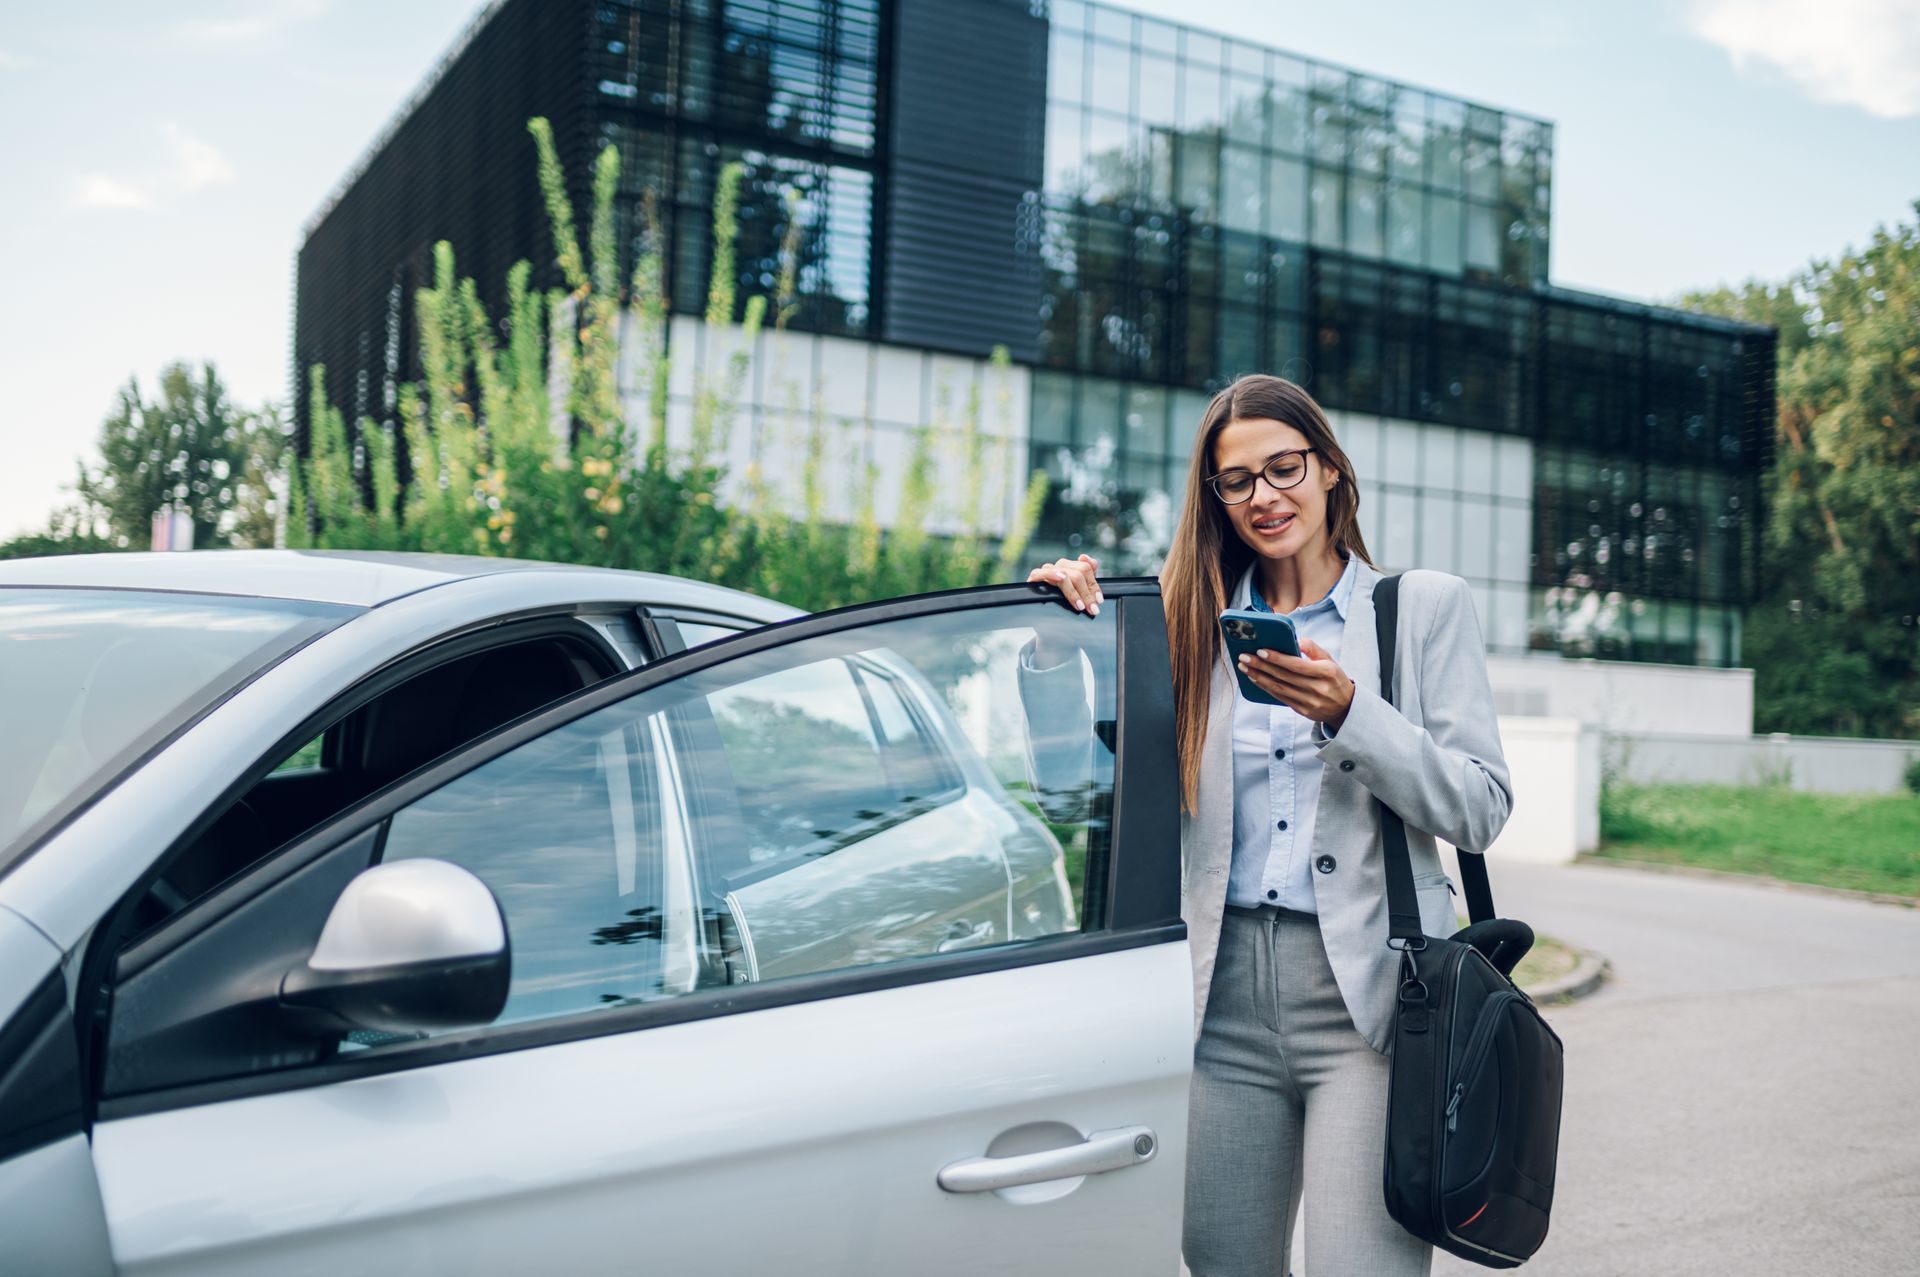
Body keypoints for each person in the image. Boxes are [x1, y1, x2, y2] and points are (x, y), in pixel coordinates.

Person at [1020, 374, 1512, 1277]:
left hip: (1371, 1001)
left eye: (1283, 468)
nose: (1264, 497)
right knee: (1221, 1262)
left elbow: (1480, 806)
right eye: (1236, 480)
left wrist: (1352, 715)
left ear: (1329, 469)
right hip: (1219, 998)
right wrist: (1059, 653)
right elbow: (1076, 800)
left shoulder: (1421, 609)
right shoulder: (1182, 622)